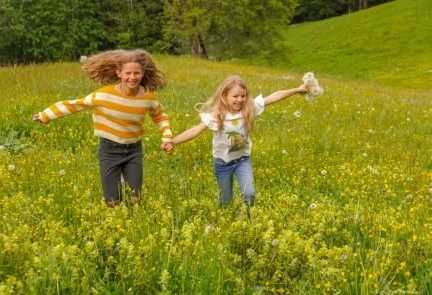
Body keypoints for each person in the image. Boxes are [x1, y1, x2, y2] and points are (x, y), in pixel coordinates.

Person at [33, 49, 174, 207]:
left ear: (142, 74)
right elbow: (75, 105)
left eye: (137, 73)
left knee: (135, 200)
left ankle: (131, 214)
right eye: (128, 73)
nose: (132, 77)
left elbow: (160, 116)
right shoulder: (104, 95)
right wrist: (46, 115)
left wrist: (167, 137)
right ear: (119, 73)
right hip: (110, 151)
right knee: (112, 202)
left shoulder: (148, 97)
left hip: (134, 151)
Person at [169, 75, 307, 209]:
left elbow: (273, 96)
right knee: (226, 201)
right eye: (235, 96)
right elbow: (195, 130)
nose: (240, 100)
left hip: (242, 160)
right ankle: (222, 219)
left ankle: (247, 217)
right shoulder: (218, 116)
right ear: (224, 95)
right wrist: (173, 141)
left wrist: (297, 90)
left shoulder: (248, 109)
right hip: (222, 163)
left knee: (249, 193)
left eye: (243, 96)